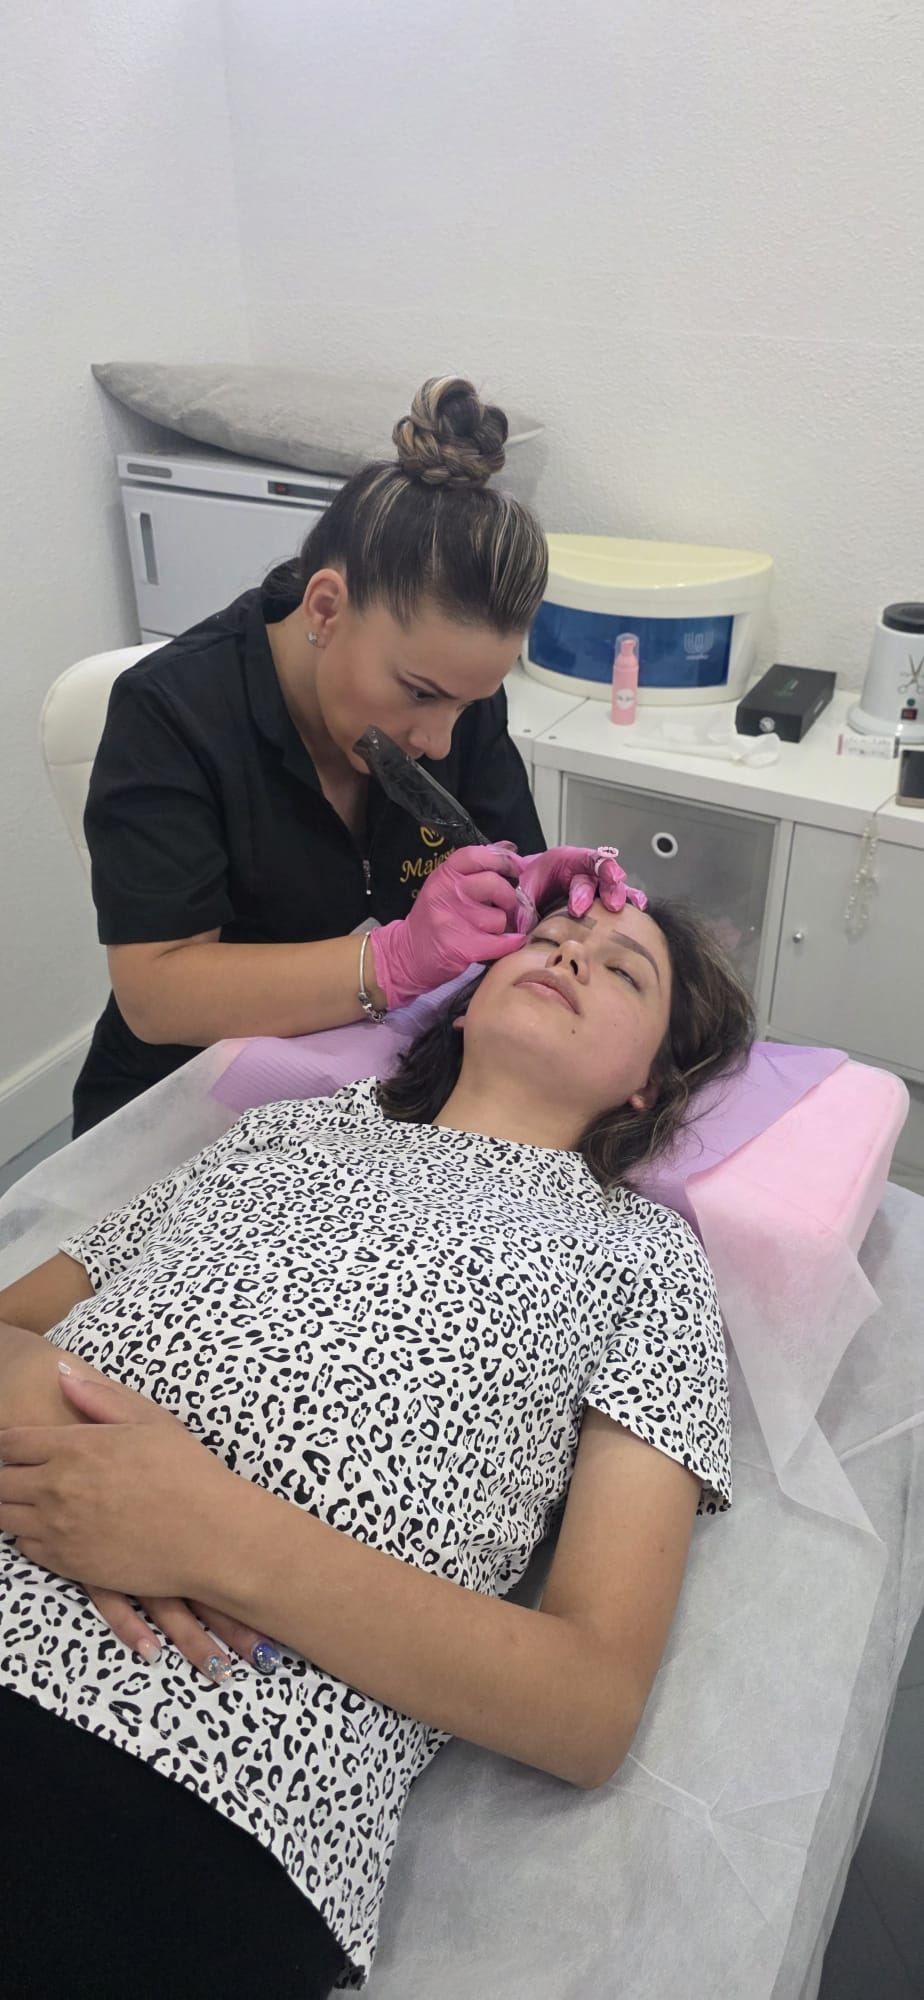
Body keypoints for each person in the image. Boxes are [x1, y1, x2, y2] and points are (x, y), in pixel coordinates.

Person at [0, 885, 754, 1997]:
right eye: (548, 937)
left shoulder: (646, 1261)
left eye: (624, 968)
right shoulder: (279, 1132)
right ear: (465, 1002)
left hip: (194, 1783)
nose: (572, 954)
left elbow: (587, 1704)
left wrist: (208, 1531)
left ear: (647, 1081)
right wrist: (75, 1442)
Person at [72, 375, 549, 1136]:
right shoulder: (173, 711)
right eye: (421, 694)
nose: (439, 742)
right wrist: (391, 962)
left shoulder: (456, 705)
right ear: (326, 607)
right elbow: (156, 993)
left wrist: (545, 897)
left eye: (470, 702)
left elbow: (507, 871)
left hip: (368, 1100)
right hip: (189, 1108)